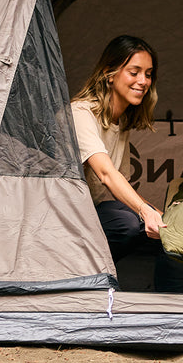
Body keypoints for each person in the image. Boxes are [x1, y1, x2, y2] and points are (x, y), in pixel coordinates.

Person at [71, 35, 166, 263]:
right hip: (58, 216)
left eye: (148, 74)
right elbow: (106, 174)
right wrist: (145, 211)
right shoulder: (80, 113)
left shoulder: (120, 122)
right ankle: (81, 272)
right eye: (134, 73)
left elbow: (120, 186)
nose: (143, 81)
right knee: (128, 224)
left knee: (130, 214)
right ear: (109, 74)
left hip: (85, 211)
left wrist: (161, 215)